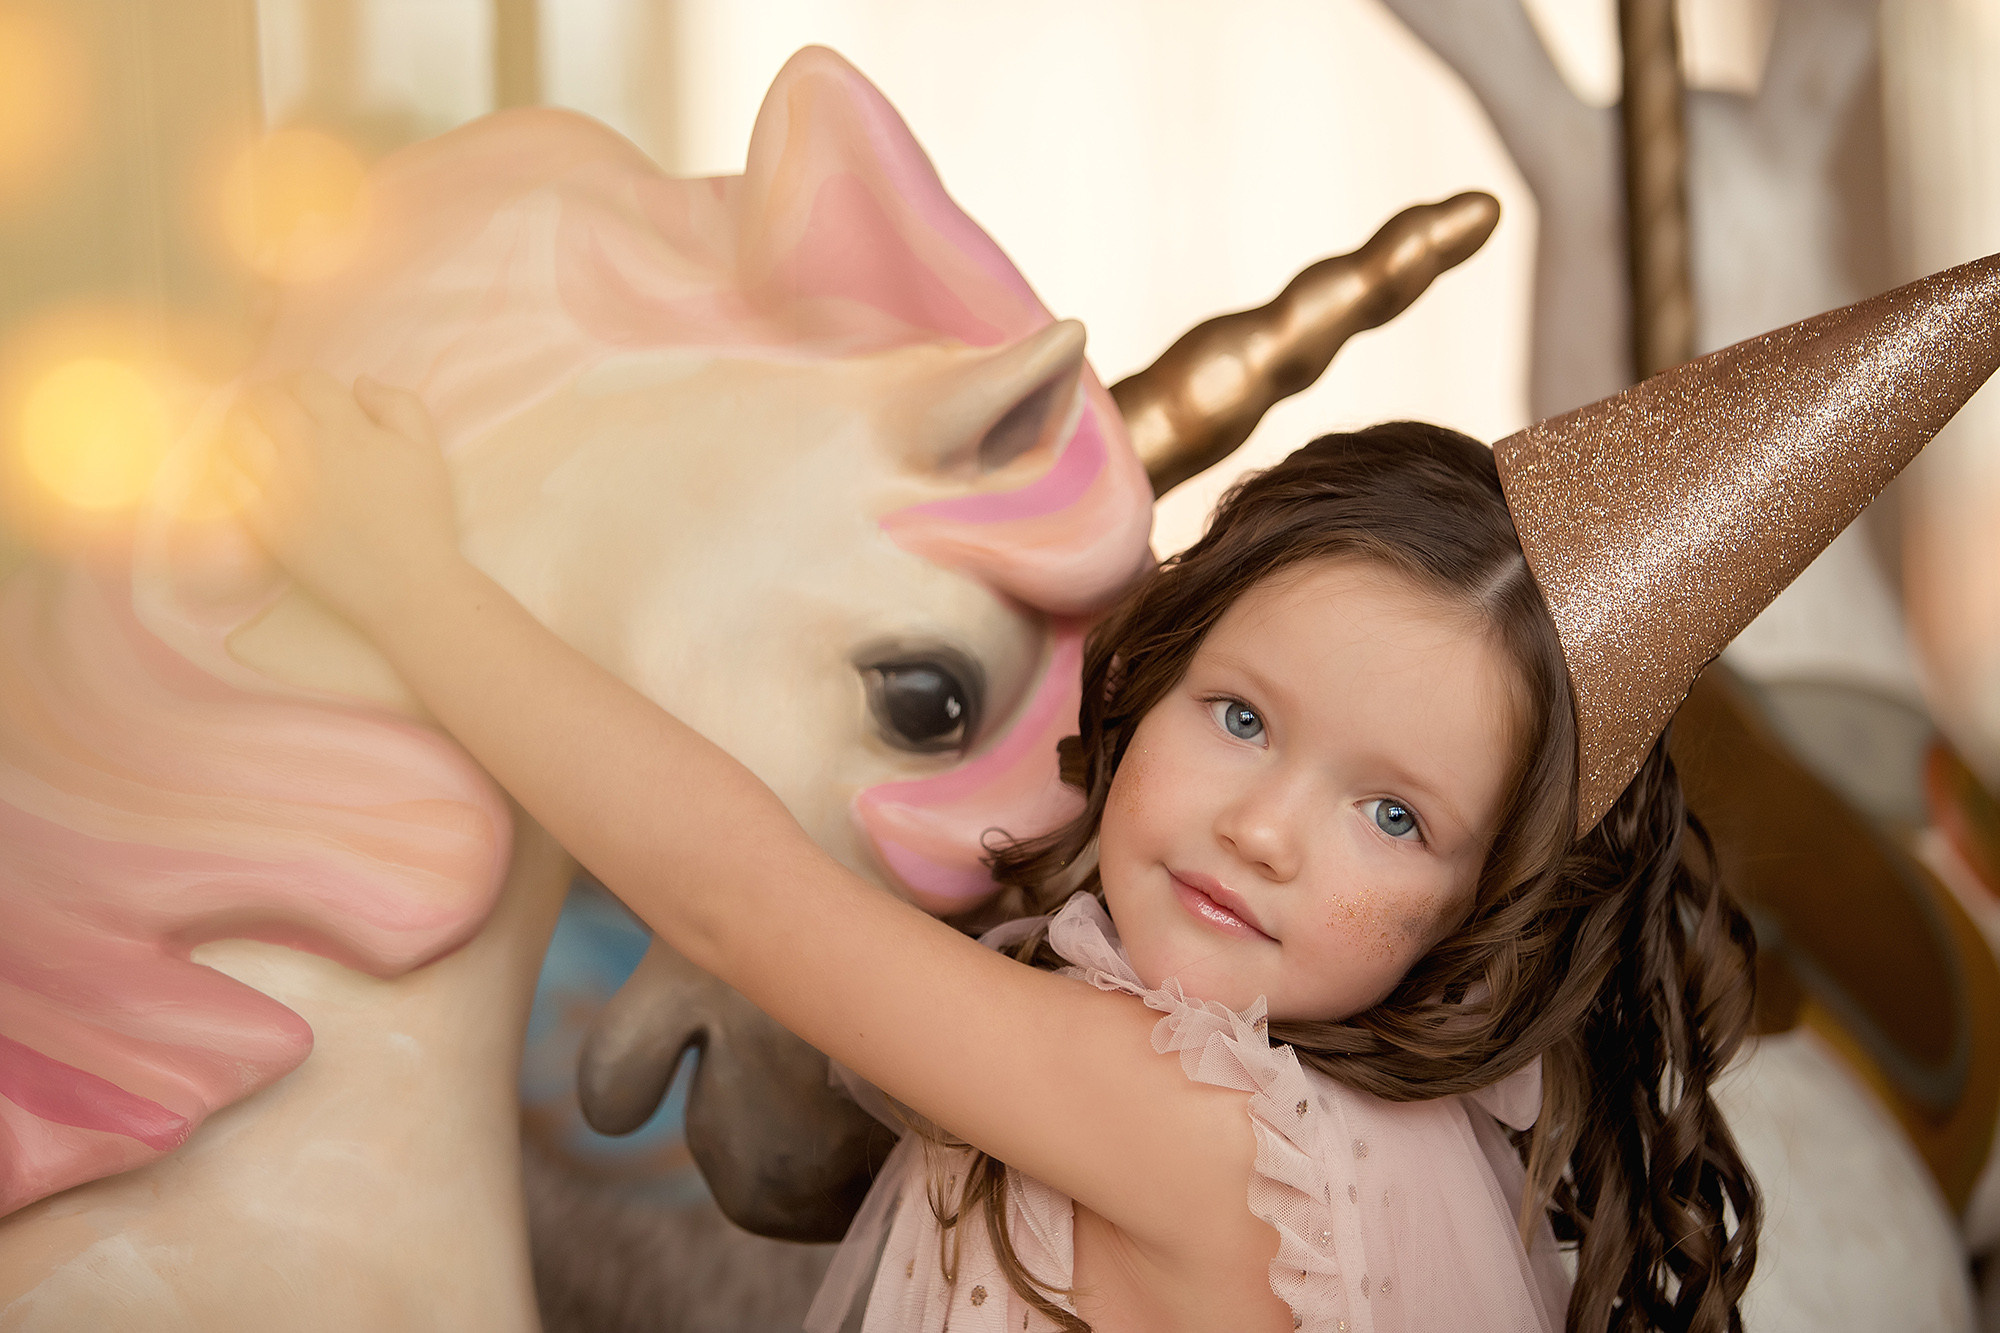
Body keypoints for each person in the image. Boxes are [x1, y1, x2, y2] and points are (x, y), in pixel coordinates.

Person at [225, 252, 2000, 1333]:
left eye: (1394, 815)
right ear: (1155, 671)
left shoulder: (1195, 1119)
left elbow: (737, 895)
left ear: (1489, 904)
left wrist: (408, 581)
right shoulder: (1388, 1137)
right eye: (1241, 716)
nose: (1263, 826)